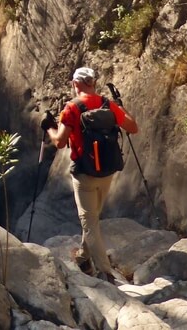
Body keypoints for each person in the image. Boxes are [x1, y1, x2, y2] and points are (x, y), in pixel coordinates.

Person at [42, 66, 138, 281]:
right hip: (107, 171)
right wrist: (121, 108)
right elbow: (133, 128)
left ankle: (105, 273)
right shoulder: (108, 104)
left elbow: (59, 142)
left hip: (84, 174)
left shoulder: (72, 108)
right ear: (93, 83)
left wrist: (49, 127)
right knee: (92, 220)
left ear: (76, 84)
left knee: (89, 222)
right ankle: (84, 256)